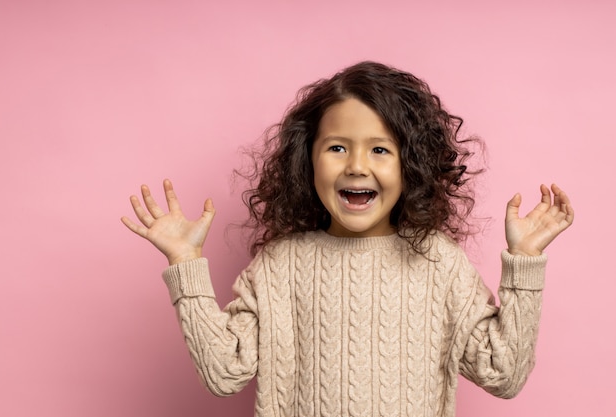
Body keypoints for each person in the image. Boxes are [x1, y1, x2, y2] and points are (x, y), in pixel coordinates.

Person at [121, 61, 574, 417]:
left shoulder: (438, 262)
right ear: (307, 161)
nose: (357, 165)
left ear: (410, 165)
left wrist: (525, 262)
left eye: (379, 149)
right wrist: (185, 262)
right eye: (337, 147)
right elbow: (224, 374)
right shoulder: (281, 265)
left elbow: (504, 374)